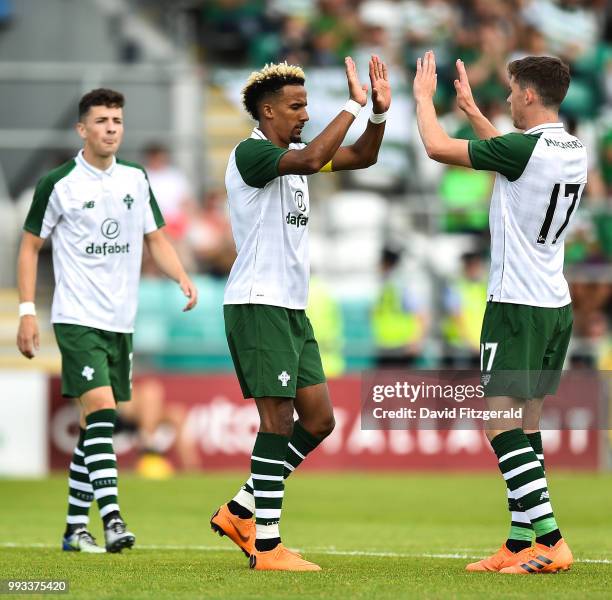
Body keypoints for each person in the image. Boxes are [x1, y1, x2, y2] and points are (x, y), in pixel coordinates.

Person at [210, 56, 391, 571]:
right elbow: (314, 160)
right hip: (257, 303)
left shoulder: (292, 155)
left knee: (319, 419)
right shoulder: (252, 154)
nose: (305, 114)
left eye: (307, 104)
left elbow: (362, 157)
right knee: (277, 420)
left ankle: (243, 507)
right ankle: (266, 547)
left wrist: (377, 115)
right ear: (267, 111)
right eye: (296, 106)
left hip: (290, 307)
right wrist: (352, 103)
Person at [413, 51, 586, 574]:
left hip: (515, 303)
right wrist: (471, 109)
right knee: (526, 427)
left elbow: (436, 147)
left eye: (512, 91)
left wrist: (425, 100)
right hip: (553, 302)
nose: (508, 98)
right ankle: (519, 542)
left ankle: (551, 540)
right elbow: (511, 154)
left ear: (529, 95)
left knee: (499, 425)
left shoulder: (525, 149)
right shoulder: (574, 147)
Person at [16, 88, 198, 553]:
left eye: (117, 119)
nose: (111, 127)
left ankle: (74, 530)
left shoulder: (136, 179)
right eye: (101, 120)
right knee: (102, 411)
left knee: (93, 426)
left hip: (122, 320)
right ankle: (113, 519)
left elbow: (156, 236)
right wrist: (26, 311)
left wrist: (180, 276)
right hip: (77, 317)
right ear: (82, 129)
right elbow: (30, 246)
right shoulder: (58, 183)